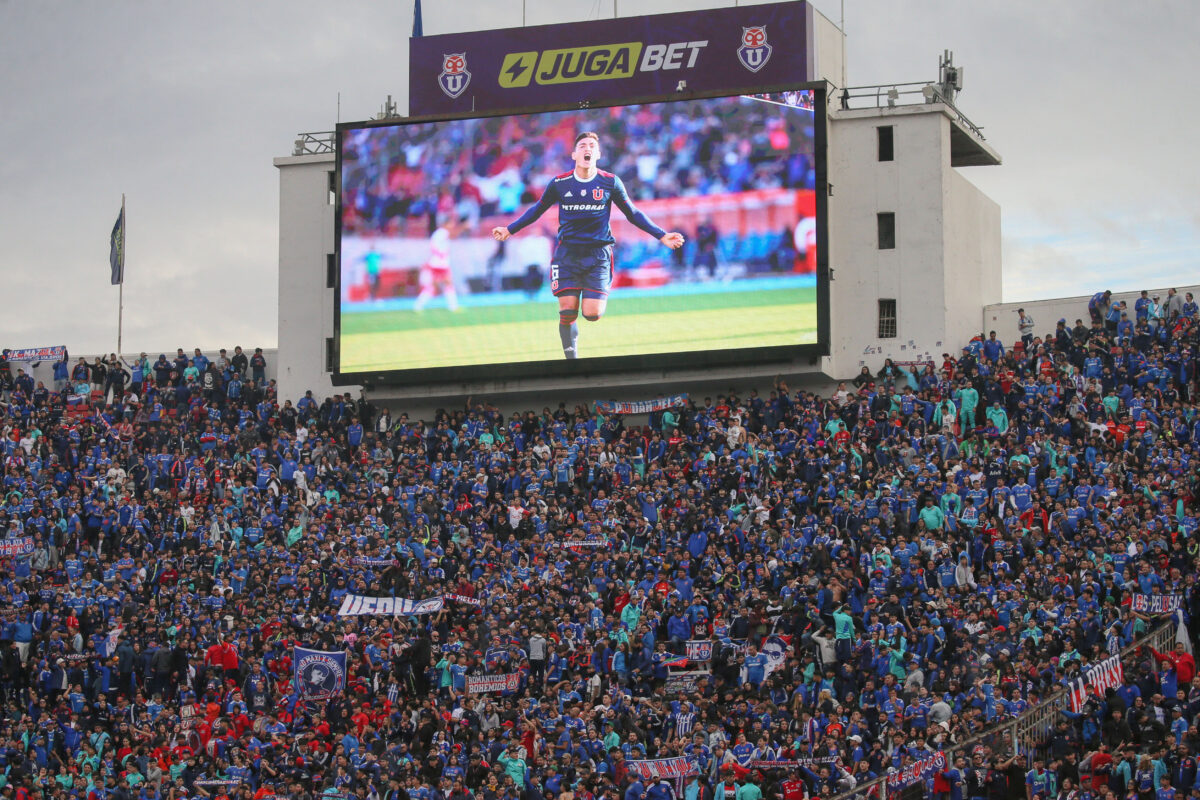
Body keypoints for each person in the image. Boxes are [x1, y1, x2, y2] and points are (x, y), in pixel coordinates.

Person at [492, 131, 684, 359]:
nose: (587, 148)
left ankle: (589, 296)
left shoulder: (610, 182)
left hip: (598, 255)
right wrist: (509, 229)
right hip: (567, 255)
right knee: (567, 310)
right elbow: (536, 211)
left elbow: (632, 213)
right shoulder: (559, 184)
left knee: (592, 314)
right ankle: (571, 358)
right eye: (582, 145)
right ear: (574, 154)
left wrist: (661, 235)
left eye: (592, 145)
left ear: (598, 153)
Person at [414, 216, 464, 312]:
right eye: (450, 224)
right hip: (441, 264)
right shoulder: (442, 232)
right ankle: (453, 307)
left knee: (435, 286)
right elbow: (453, 235)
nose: (452, 226)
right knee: (447, 284)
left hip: (436, 263)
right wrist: (463, 227)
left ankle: (418, 305)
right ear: (445, 224)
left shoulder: (437, 234)